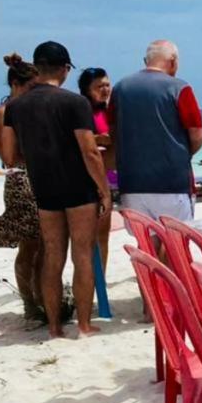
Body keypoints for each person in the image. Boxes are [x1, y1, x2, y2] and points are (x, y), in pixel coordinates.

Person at [2, 41, 110, 338]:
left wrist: (39, 156)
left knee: (52, 255)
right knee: (82, 255)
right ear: (64, 69)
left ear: (37, 68)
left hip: (44, 186)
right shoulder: (75, 103)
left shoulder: (16, 106)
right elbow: (89, 151)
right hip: (78, 187)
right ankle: (84, 325)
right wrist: (104, 190)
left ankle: (53, 327)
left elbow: (10, 155)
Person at [109, 40, 202, 227]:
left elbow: (114, 132)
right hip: (171, 182)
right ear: (173, 61)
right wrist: (182, 155)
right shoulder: (179, 88)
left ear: (146, 60)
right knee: (175, 240)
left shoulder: (120, 88)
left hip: (132, 182)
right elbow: (197, 136)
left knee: (145, 241)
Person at [0, 53, 44, 321]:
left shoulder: (30, 108)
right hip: (21, 180)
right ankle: (30, 303)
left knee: (43, 244)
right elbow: (7, 156)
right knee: (29, 244)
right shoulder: (4, 112)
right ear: (15, 85)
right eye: (31, 87)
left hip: (40, 177)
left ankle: (40, 298)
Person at [78, 67, 117, 276]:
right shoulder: (81, 109)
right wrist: (97, 139)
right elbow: (71, 140)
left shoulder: (110, 109)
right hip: (90, 177)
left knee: (103, 235)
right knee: (88, 237)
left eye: (107, 85)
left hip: (112, 176)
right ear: (87, 89)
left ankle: (100, 279)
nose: (105, 89)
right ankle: (90, 280)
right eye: (99, 86)